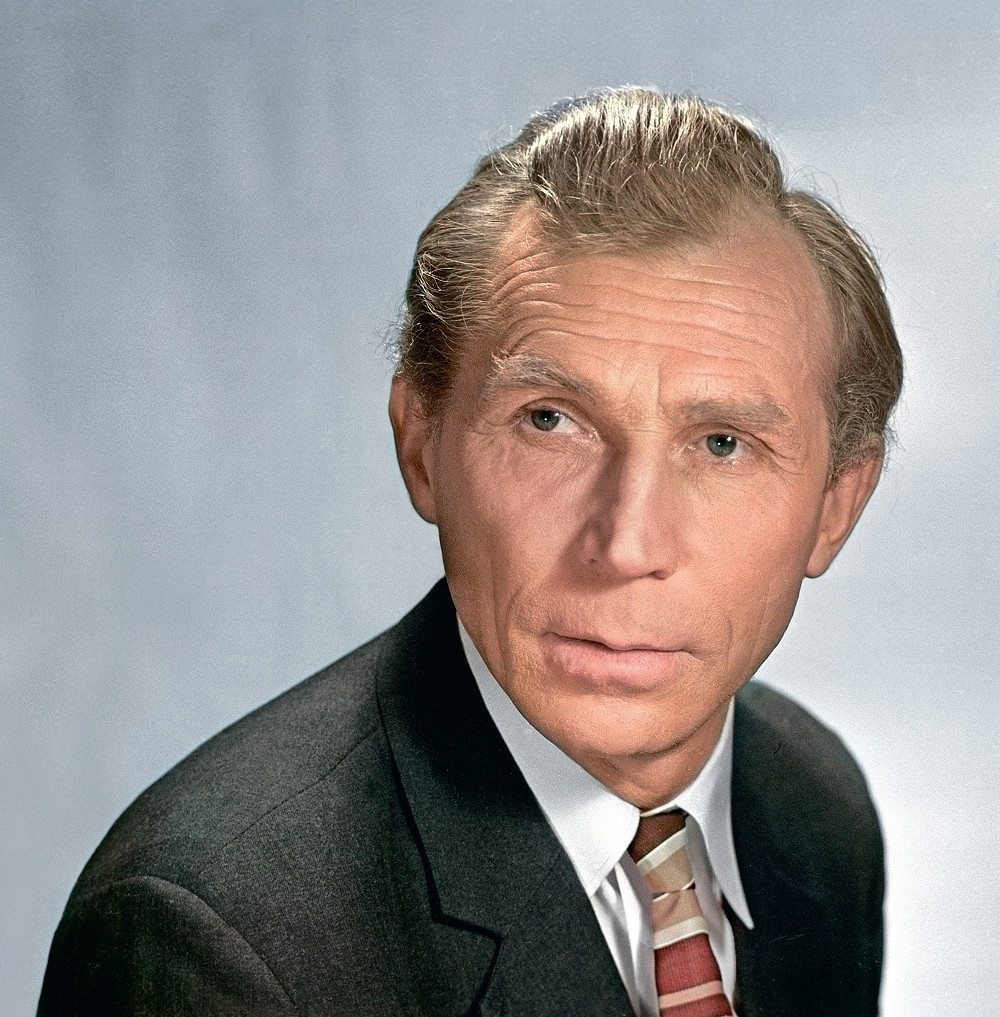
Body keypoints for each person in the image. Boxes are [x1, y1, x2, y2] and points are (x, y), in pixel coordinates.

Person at [38, 88, 903, 1017]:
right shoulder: (205, 941)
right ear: (422, 445)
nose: (626, 543)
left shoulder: (817, 807)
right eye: (550, 420)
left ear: (837, 504)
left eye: (723, 443)